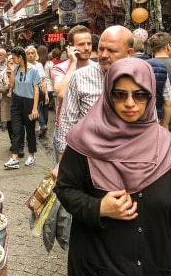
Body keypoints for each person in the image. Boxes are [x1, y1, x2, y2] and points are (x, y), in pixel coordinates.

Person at [55, 58, 171, 276]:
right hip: (97, 264)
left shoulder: (168, 148)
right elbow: (65, 189)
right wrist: (99, 207)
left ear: (151, 96)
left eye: (139, 94)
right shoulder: (83, 141)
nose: (129, 103)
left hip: (153, 265)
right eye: (120, 94)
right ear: (108, 94)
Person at [55, 25, 134, 172]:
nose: (103, 55)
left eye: (111, 51)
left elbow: (149, 121)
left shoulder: (140, 77)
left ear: (129, 53)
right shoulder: (80, 77)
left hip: (127, 161)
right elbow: (68, 121)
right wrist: (63, 161)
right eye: (101, 48)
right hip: (89, 160)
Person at [52, 25, 93, 161]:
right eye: (81, 44)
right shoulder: (60, 68)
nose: (87, 48)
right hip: (66, 131)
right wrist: (73, 63)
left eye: (89, 43)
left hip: (91, 132)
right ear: (70, 48)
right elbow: (62, 93)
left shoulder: (97, 68)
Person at [4, 47, 40, 169]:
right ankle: (14, 158)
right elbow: (11, 85)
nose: (12, 60)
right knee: (16, 129)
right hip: (16, 101)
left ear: (20, 57)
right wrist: (13, 70)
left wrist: (35, 108)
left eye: (14, 58)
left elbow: (36, 90)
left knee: (30, 130)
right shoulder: (16, 68)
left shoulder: (34, 70)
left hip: (29, 102)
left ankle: (31, 155)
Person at [133, 37, 171, 129]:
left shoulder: (120, 66)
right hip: (154, 119)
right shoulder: (160, 67)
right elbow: (169, 100)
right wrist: (165, 124)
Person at [25, 45, 49, 138]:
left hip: (39, 91)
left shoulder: (39, 65)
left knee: (37, 108)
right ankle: (40, 127)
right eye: (28, 53)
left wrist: (46, 93)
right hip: (27, 92)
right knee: (31, 112)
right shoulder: (24, 65)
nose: (30, 55)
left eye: (32, 53)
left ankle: (41, 126)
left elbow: (43, 80)